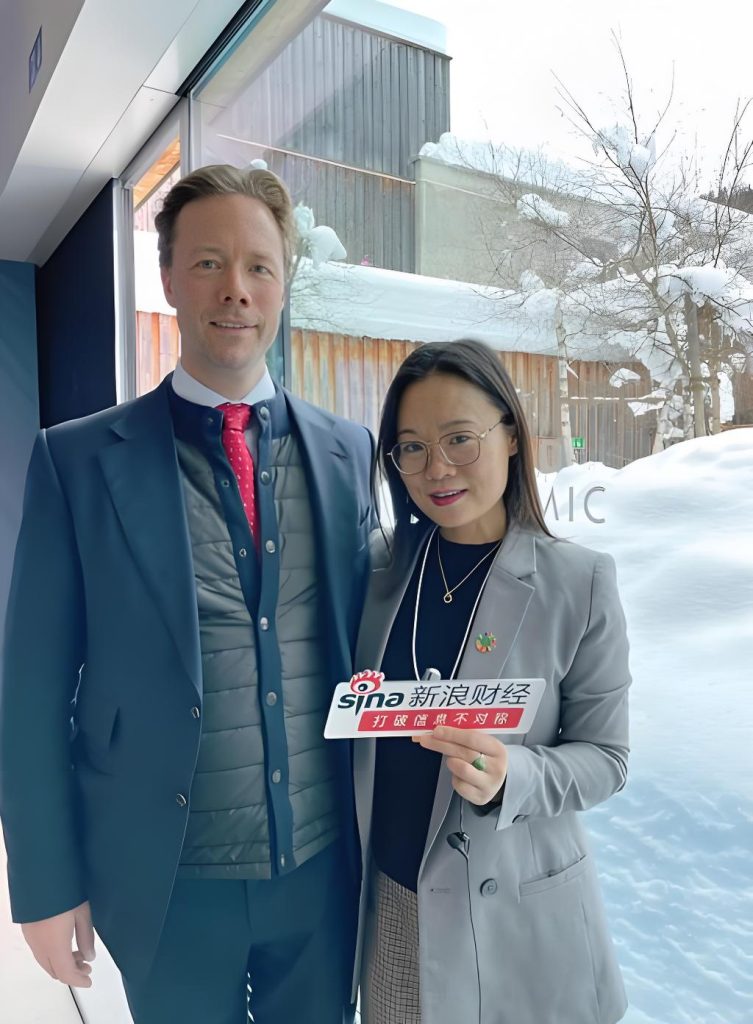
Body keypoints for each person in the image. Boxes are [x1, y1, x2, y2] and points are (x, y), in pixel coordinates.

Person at [0, 165, 374, 1024]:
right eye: (208, 263)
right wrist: (45, 886)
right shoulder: (76, 461)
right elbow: (31, 691)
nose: (235, 289)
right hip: (167, 884)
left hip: (322, 875)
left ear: (283, 283)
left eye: (258, 266)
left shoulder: (348, 452)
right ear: (167, 277)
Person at [352, 339, 630, 1024]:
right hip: (394, 903)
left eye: (459, 439)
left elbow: (606, 758)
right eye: (411, 447)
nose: (436, 468)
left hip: (515, 916)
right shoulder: (377, 570)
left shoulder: (578, 582)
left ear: (510, 435)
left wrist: (515, 775)